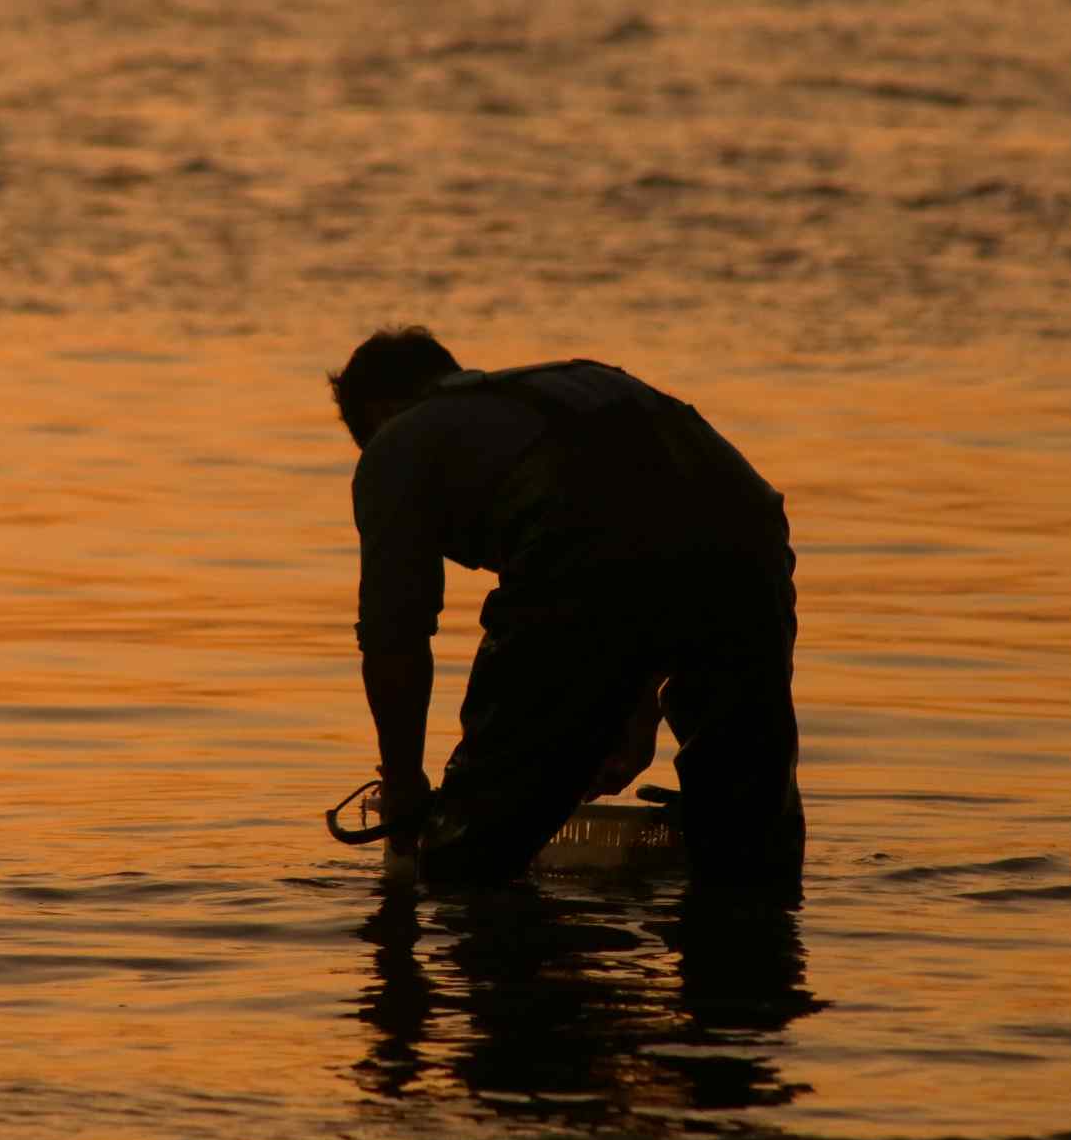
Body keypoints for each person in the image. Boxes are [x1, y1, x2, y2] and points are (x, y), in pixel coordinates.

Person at [329, 327, 803, 885]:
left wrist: (406, 785)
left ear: (382, 412)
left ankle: (486, 953)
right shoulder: (574, 385)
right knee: (746, 832)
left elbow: (395, 634)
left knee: (474, 844)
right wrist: (633, 703)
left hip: (583, 552)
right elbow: (660, 527)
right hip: (751, 534)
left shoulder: (396, 443)